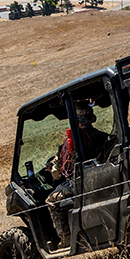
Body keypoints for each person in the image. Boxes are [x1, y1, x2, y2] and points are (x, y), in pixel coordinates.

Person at [45, 101, 109, 248]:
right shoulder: (103, 136)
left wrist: (52, 169)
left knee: (51, 201)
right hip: (101, 177)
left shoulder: (72, 141)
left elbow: (58, 173)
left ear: (76, 121)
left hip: (80, 183)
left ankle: (66, 238)